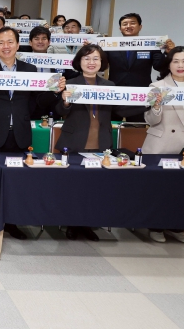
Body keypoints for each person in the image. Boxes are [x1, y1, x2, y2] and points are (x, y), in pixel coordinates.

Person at [0, 27, 66, 241]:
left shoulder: (30, 69)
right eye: (1, 42)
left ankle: (11, 223)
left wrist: (54, 91)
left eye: (10, 42)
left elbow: (39, 101)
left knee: (16, 182)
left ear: (18, 45)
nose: (6, 46)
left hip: (20, 134)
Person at [55, 44, 144, 241]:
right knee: (74, 187)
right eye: (87, 58)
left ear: (102, 62)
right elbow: (59, 111)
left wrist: (147, 103)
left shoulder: (109, 85)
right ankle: (72, 224)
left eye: (96, 58)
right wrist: (66, 102)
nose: (91, 62)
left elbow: (120, 110)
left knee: (94, 187)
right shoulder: (70, 83)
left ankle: (87, 225)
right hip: (74, 141)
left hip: (101, 143)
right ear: (79, 62)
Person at [143, 46, 184, 243]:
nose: (180, 65)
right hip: (162, 144)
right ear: (169, 64)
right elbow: (150, 120)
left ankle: (177, 227)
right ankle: (155, 227)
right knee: (161, 189)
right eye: (176, 61)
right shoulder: (156, 86)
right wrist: (156, 107)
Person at [107, 13, 175, 122]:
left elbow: (159, 67)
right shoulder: (110, 45)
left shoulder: (151, 45)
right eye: (125, 24)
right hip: (115, 94)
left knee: (138, 128)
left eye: (132, 23)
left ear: (140, 27)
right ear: (120, 28)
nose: (128, 26)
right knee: (110, 127)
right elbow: (101, 66)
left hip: (140, 95)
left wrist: (168, 53)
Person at [26, 26, 64, 119]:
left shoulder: (58, 61)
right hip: (29, 107)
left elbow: (73, 75)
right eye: (36, 39)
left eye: (44, 38)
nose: (40, 41)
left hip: (53, 106)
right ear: (30, 42)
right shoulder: (22, 61)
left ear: (49, 42)